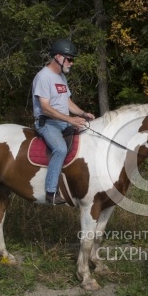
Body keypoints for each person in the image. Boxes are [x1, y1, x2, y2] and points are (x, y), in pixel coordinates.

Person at [32, 39, 95, 204]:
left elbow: (67, 102)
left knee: (88, 133)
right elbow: (45, 108)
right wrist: (70, 119)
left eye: (72, 59)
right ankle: (51, 192)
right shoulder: (43, 77)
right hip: (47, 124)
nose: (71, 63)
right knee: (60, 149)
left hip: (62, 122)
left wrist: (83, 113)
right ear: (58, 57)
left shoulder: (61, 77)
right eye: (69, 59)